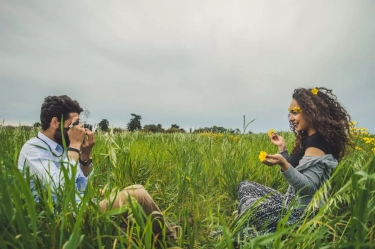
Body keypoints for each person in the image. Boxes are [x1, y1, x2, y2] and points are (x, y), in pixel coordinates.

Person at [18, 95, 177, 238]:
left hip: (82, 210)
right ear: (54, 123)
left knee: (135, 194)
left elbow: (82, 189)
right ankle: (171, 238)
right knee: (137, 195)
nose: (78, 129)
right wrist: (74, 146)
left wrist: (85, 155)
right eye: (73, 124)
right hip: (64, 222)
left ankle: (165, 231)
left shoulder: (63, 147)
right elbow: (62, 191)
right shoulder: (33, 150)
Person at [214, 87, 352, 240]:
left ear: (312, 112)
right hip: (291, 203)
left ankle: (251, 236)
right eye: (290, 113)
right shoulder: (310, 138)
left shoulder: (317, 142)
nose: (291, 118)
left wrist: (283, 164)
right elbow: (298, 169)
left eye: (295, 112)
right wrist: (282, 149)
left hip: (303, 216)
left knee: (252, 205)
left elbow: (308, 187)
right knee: (245, 186)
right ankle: (256, 229)